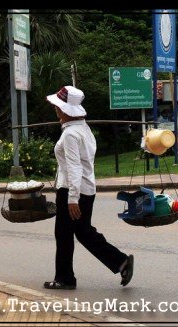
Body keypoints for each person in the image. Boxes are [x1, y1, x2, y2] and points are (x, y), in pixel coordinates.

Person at [43, 85, 134, 289]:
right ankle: (120, 262)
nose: (56, 110)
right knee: (83, 232)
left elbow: (75, 167)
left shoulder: (70, 135)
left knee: (65, 234)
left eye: (58, 107)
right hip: (86, 189)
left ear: (66, 110)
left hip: (72, 190)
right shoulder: (83, 129)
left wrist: (72, 199)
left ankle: (65, 278)